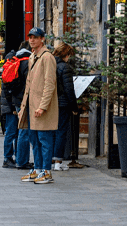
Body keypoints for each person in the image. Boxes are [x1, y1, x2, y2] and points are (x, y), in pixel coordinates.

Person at [19, 27, 59, 185]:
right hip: (31, 105)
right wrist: (24, 105)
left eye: (35, 37)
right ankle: (38, 168)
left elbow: (50, 84)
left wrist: (43, 106)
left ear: (42, 39)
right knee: (34, 139)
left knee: (44, 139)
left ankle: (47, 171)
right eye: (30, 37)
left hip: (41, 106)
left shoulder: (47, 57)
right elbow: (29, 83)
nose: (31, 40)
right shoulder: (33, 57)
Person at [1, 44, 32, 169]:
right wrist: (12, 106)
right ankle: (12, 158)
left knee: (14, 131)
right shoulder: (23, 63)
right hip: (12, 103)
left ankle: (12, 158)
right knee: (15, 131)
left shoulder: (12, 63)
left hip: (11, 102)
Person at [52, 41, 79, 172]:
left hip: (51, 103)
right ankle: (58, 161)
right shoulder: (65, 67)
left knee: (52, 132)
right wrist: (74, 106)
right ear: (66, 54)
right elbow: (69, 89)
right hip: (62, 104)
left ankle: (52, 159)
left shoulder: (51, 64)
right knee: (61, 132)